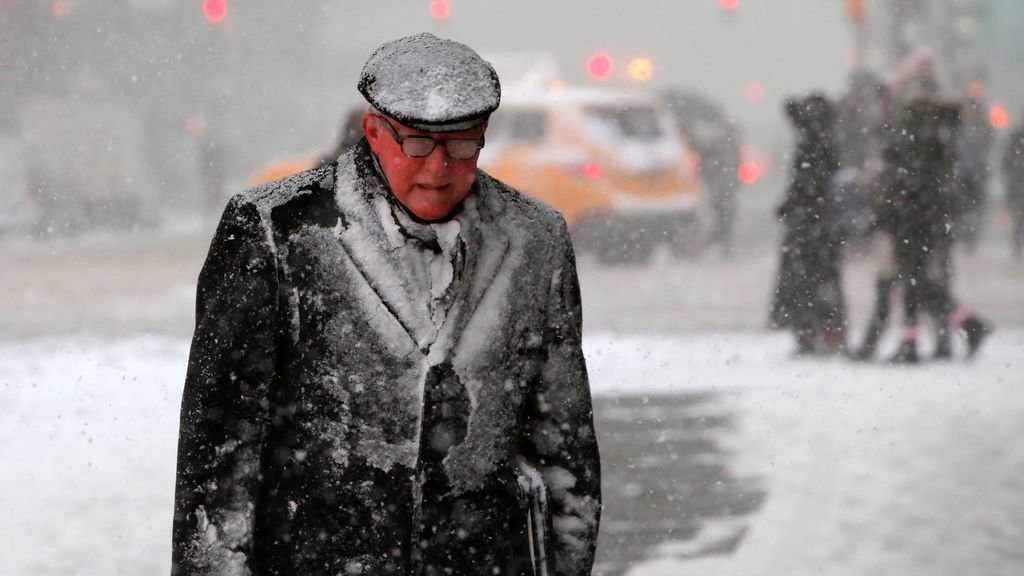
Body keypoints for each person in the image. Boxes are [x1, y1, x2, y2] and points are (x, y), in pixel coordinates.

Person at [172, 33, 601, 576]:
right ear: (373, 131)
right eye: (417, 144)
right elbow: (220, 456)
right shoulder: (275, 230)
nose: (439, 168)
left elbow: (564, 445)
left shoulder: (535, 236)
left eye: (462, 145)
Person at [769, 93, 847, 355]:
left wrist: (792, 206)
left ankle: (814, 332)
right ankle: (822, 331)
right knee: (819, 281)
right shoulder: (824, 139)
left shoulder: (815, 143)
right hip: (816, 224)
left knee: (807, 281)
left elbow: (808, 185)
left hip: (810, 224)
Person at [1002, 118, 1024, 259]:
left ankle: (1017, 244)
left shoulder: (1016, 137)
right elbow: (1007, 160)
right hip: (1017, 184)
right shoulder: (1016, 137)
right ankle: (1017, 244)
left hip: (1017, 182)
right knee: (1018, 216)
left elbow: (1006, 160)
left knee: (1018, 215)